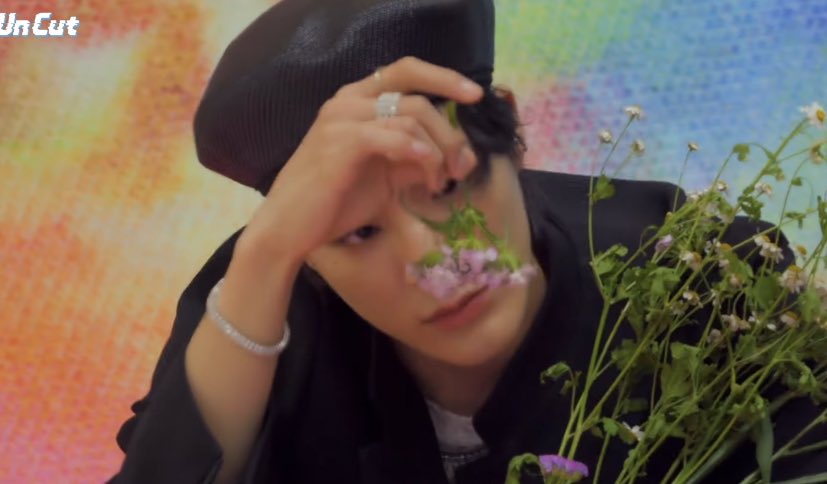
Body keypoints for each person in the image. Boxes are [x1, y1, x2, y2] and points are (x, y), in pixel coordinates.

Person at [109, 1, 827, 483]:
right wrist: (263, 259)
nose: (438, 262)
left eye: (449, 186)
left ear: (510, 134)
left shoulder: (706, 274)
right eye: (358, 232)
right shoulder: (261, 294)